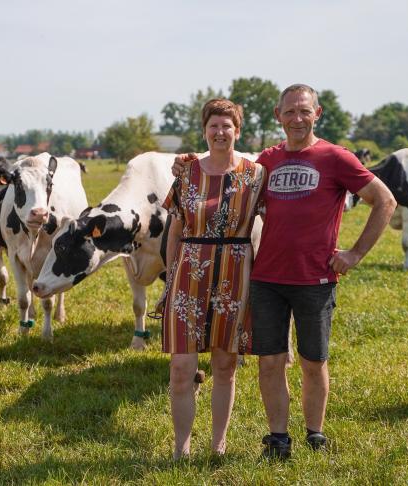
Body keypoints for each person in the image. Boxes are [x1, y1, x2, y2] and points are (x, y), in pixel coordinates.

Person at [174, 84, 396, 460]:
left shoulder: (336, 157)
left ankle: (315, 433)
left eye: (304, 111)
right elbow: (227, 175)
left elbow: (385, 200)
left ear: (317, 114)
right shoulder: (267, 161)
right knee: (271, 361)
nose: (297, 119)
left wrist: (356, 253)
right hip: (266, 279)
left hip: (315, 279)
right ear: (278, 116)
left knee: (313, 362)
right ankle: (278, 437)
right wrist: (189, 162)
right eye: (289, 112)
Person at [160, 98, 265, 459]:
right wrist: (169, 278)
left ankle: (218, 445)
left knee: (225, 365)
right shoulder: (186, 173)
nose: (220, 132)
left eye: (227, 126)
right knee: (180, 367)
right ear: (204, 131)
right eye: (213, 126)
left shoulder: (256, 174)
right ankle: (181, 448)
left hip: (235, 275)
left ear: (238, 131)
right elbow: (174, 231)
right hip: (188, 274)